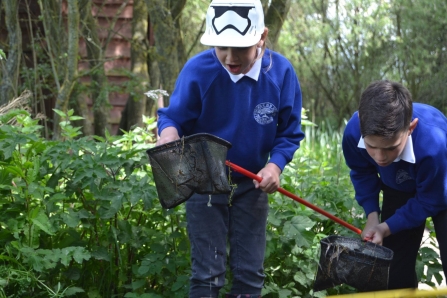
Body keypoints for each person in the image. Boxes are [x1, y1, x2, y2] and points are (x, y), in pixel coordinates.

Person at [155, 0, 304, 296]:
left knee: (250, 273)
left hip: (252, 183)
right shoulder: (199, 69)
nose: (230, 56)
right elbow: (172, 116)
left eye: (240, 49)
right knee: (207, 274)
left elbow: (289, 133)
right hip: (204, 178)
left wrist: (274, 166)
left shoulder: (280, 73)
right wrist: (168, 135)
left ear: (261, 38)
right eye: (222, 47)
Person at [342, 79, 447, 290]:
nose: (380, 158)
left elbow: (431, 200)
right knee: (393, 271)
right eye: (371, 147)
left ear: (410, 128)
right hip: (398, 186)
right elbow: (362, 173)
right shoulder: (353, 133)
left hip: (441, 185)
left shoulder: (433, 142)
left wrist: (386, 227)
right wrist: (374, 219)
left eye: (391, 148)